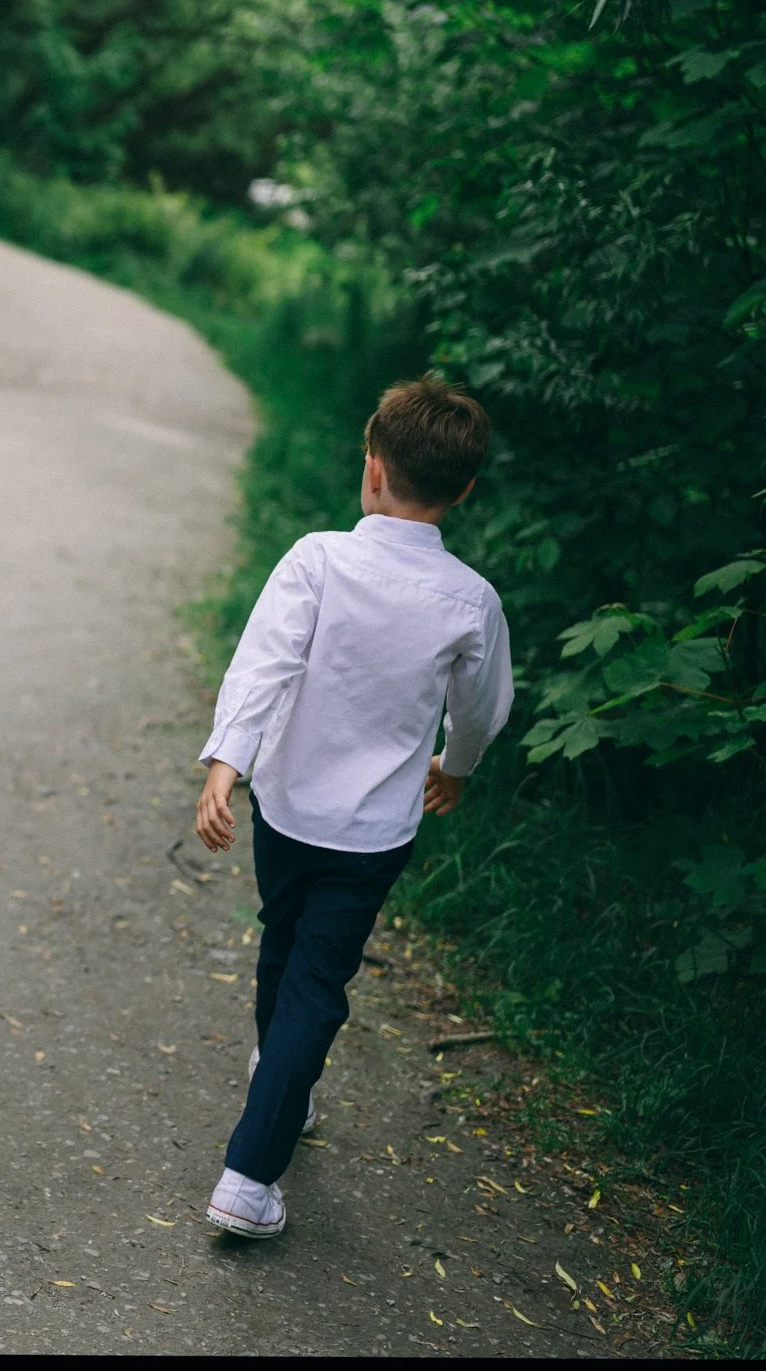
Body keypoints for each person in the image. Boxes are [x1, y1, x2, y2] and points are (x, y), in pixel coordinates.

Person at [192, 378, 511, 1236]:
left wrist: (229, 761)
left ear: (372, 467)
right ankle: (248, 1179)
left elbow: (265, 663)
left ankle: (276, 1083)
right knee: (317, 976)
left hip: (286, 809)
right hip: (372, 833)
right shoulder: (470, 599)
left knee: (283, 943)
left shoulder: (317, 559)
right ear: (464, 492)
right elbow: (481, 707)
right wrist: (459, 764)